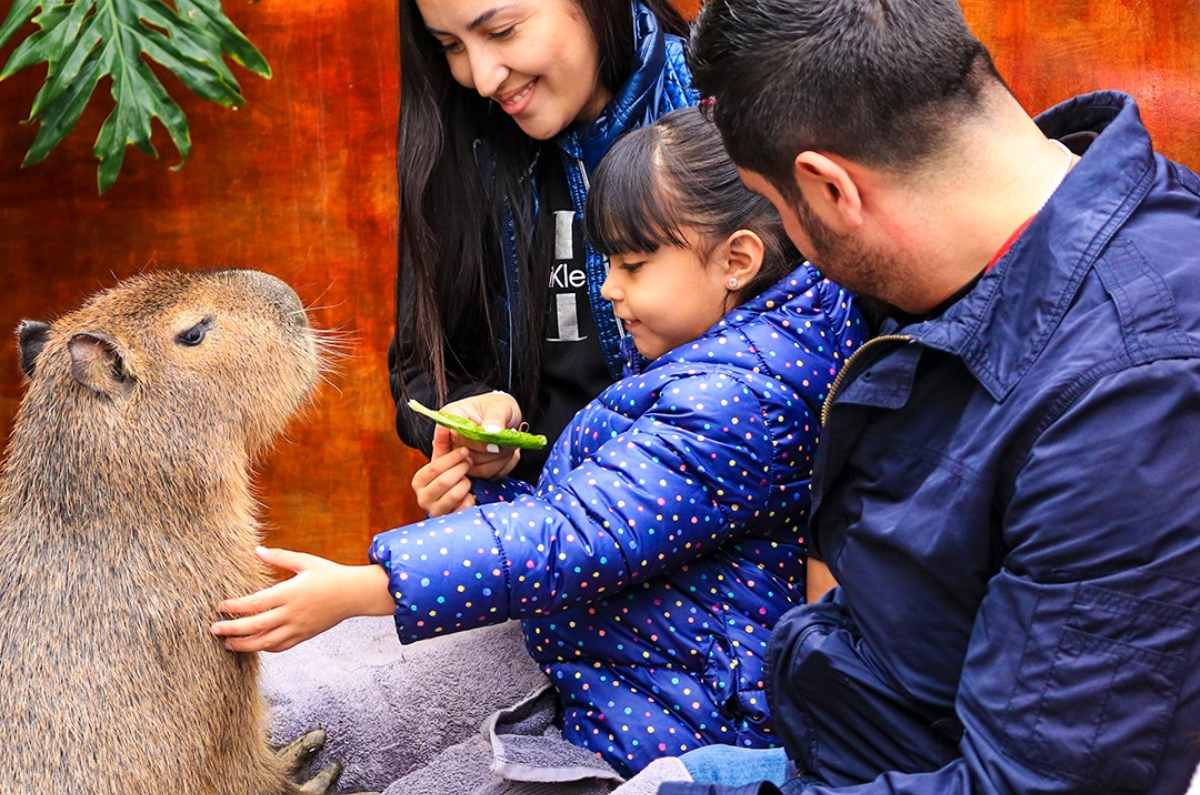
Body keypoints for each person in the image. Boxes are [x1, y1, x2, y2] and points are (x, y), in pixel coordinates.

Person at [643, 0, 1200, 793]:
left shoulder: (1134, 399)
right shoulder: (987, 226)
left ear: (831, 190)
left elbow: (1030, 785)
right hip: (855, 737)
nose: (795, 254)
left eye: (778, 213)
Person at [212, 107, 866, 776]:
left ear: (737, 260)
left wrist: (365, 588)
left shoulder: (737, 400)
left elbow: (571, 537)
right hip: (627, 678)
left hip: (676, 723)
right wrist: (491, 481)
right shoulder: (724, 363)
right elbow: (608, 519)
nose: (608, 288)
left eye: (633, 264)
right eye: (606, 261)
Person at [390, 0, 697, 487]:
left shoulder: (719, 109)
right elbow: (422, 367)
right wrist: (474, 424)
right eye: (450, 46)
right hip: (534, 535)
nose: (483, 79)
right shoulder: (465, 137)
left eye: (503, 31)